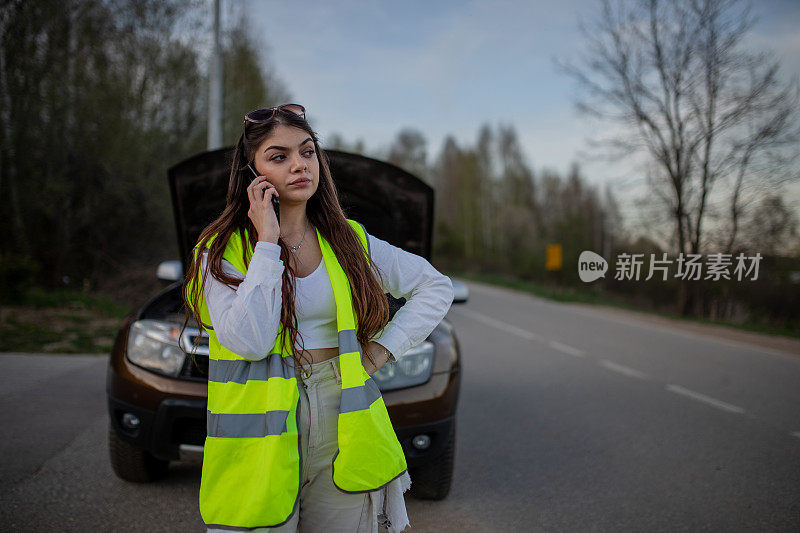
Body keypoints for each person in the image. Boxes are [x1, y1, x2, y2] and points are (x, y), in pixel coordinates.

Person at [182, 103, 454, 533]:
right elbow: (251, 340)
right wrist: (268, 242)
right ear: (252, 174)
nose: (299, 165)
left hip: (341, 415)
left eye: (307, 152)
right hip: (261, 429)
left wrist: (381, 351)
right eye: (278, 156)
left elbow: (436, 286)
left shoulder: (348, 239)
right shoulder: (220, 250)